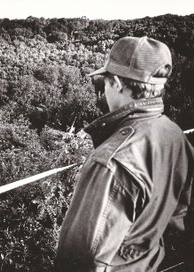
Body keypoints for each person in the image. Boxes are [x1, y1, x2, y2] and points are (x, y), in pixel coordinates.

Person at [55, 36, 194, 271]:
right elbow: (181, 216)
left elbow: (78, 261)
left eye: (106, 82)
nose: (105, 90)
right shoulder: (174, 134)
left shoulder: (112, 161)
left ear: (118, 83)